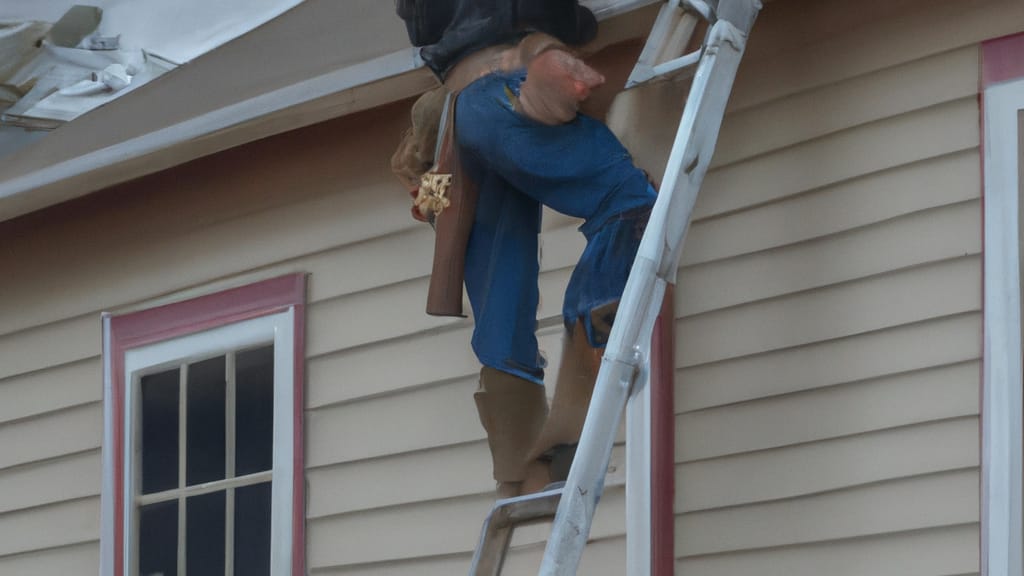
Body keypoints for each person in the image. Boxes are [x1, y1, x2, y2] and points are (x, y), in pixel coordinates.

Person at [391, 1, 657, 498]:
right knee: (626, 199)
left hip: (463, 121)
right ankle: (592, 339)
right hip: (507, 98)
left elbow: (422, 24)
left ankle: (521, 472)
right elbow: (566, 18)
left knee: (501, 302)